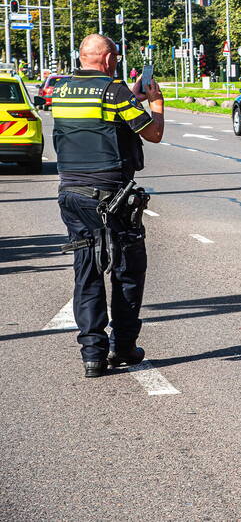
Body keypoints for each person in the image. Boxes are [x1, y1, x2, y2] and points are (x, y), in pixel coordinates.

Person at [51, 34, 165, 378]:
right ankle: (123, 346)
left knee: (87, 268)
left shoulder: (61, 90)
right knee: (127, 268)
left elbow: (99, 113)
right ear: (110, 59)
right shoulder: (114, 91)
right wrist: (156, 102)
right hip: (111, 195)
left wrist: (129, 92)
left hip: (72, 193)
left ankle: (92, 355)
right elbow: (153, 133)